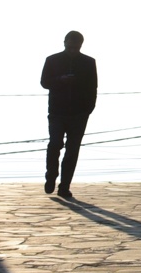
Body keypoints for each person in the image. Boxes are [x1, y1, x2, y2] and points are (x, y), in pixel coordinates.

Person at [40, 31, 98, 199]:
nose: (72, 50)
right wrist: (60, 80)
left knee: (72, 150)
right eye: (70, 46)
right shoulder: (52, 60)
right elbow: (44, 82)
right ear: (64, 43)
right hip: (57, 111)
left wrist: (88, 109)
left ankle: (64, 186)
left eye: (76, 47)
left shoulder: (88, 62)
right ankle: (51, 176)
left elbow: (93, 87)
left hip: (79, 113)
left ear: (81, 45)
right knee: (55, 144)